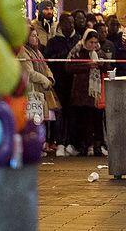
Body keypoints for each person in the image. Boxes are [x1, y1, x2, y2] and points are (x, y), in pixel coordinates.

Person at [66, 28, 107, 156]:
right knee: (83, 121)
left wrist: (100, 64)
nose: (93, 45)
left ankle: (97, 146)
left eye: (96, 42)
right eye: (91, 42)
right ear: (85, 41)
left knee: (97, 121)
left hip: (96, 94)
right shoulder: (78, 52)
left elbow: (108, 67)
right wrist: (87, 65)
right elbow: (68, 67)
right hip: (81, 93)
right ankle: (84, 146)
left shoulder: (100, 53)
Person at [46, 13, 80, 156]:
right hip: (59, 81)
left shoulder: (78, 39)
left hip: (74, 82)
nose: (71, 25)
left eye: (72, 22)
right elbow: (49, 59)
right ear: (61, 24)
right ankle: (60, 142)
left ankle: (71, 142)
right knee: (59, 114)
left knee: (72, 114)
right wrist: (62, 55)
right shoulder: (53, 41)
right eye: (68, 22)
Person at [20, 27, 57, 153]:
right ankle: (32, 148)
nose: (36, 38)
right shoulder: (23, 52)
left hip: (41, 91)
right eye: (33, 36)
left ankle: (40, 146)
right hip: (32, 90)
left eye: (36, 35)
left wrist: (50, 77)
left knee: (40, 121)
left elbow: (45, 66)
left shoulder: (37, 52)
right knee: (32, 121)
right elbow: (30, 73)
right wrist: (45, 80)